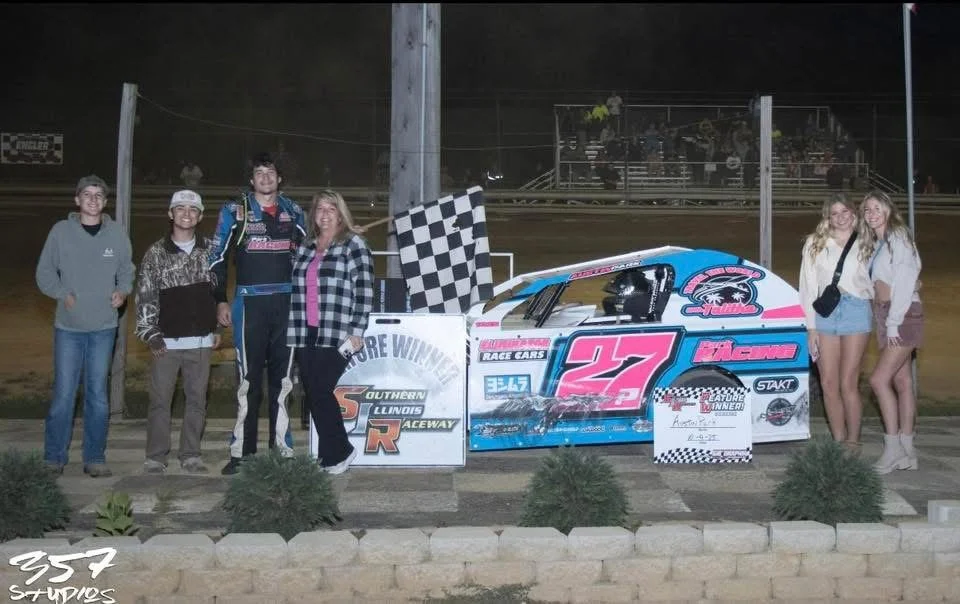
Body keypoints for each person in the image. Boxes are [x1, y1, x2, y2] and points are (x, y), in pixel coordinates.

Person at [209, 153, 306, 475]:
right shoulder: (235, 211)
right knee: (249, 381)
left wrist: (343, 235)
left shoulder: (294, 212)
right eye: (259, 173)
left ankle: (281, 449)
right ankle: (242, 452)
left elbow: (314, 252)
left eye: (271, 172)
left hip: (287, 304)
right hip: (250, 304)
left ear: (280, 179)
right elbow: (216, 258)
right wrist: (220, 300)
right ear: (252, 180)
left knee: (283, 382)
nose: (265, 178)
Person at [35, 175, 136, 477]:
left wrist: (123, 291)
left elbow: (127, 270)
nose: (93, 200)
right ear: (77, 200)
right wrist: (62, 294)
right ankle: (54, 456)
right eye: (87, 194)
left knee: (97, 395)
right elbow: (44, 273)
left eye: (99, 195)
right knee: (64, 394)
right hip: (68, 329)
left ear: (105, 202)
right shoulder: (60, 232)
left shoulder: (117, 234)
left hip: (104, 327)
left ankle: (95, 457)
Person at [287, 190, 373, 475]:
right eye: (320, 209)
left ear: (341, 214)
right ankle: (328, 455)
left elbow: (364, 290)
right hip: (304, 330)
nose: (324, 214)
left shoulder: (353, 244)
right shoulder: (306, 246)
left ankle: (342, 450)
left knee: (322, 390)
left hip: (337, 332)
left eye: (331, 209)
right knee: (313, 393)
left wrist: (357, 330)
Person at [135, 190, 220, 474]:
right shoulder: (156, 253)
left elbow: (218, 294)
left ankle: (191, 454)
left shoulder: (211, 250)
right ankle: (156, 456)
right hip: (166, 344)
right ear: (170, 214)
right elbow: (145, 296)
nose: (186, 214)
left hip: (201, 342)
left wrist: (216, 328)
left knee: (197, 400)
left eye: (193, 209)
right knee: (160, 401)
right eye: (180, 208)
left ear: (200, 216)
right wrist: (151, 334)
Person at [798, 194, 873, 451]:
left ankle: (853, 441)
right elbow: (807, 289)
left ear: (854, 213)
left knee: (848, 382)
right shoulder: (815, 244)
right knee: (828, 382)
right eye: (834, 213)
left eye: (845, 212)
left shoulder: (868, 242)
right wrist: (811, 328)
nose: (840, 218)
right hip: (825, 313)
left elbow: (884, 276)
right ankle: (839, 441)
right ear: (827, 217)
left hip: (856, 309)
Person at [861, 191, 924, 474]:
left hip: (902, 315)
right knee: (901, 381)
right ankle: (908, 450)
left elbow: (907, 278)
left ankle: (893, 449)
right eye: (867, 210)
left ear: (888, 209)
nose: (871, 213)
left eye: (877, 207)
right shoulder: (880, 242)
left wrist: (894, 322)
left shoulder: (898, 236)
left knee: (877, 380)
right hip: (887, 314)